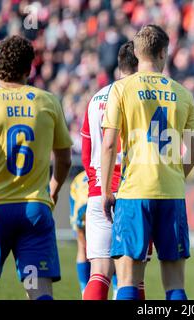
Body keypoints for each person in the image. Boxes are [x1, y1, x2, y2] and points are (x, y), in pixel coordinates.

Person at [0, 35, 72, 300]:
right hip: (34, 210)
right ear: (29, 68)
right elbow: (64, 159)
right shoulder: (47, 101)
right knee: (39, 290)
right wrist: (52, 191)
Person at [101, 25, 194, 300]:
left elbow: (109, 143)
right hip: (172, 193)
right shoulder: (183, 93)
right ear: (163, 53)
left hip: (134, 192)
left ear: (135, 52)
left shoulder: (121, 89)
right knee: (175, 283)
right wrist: (176, 175)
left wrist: (106, 192)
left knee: (128, 280)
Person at [81, 41, 149, 300]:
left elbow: (87, 152)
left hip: (99, 190)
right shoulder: (142, 96)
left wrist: (97, 184)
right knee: (133, 276)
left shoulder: (96, 97)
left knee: (99, 272)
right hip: (134, 188)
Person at [69, 170, 90, 295]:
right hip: (86, 201)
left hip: (83, 201)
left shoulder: (79, 178)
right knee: (113, 249)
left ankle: (85, 292)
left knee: (82, 248)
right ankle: (85, 292)